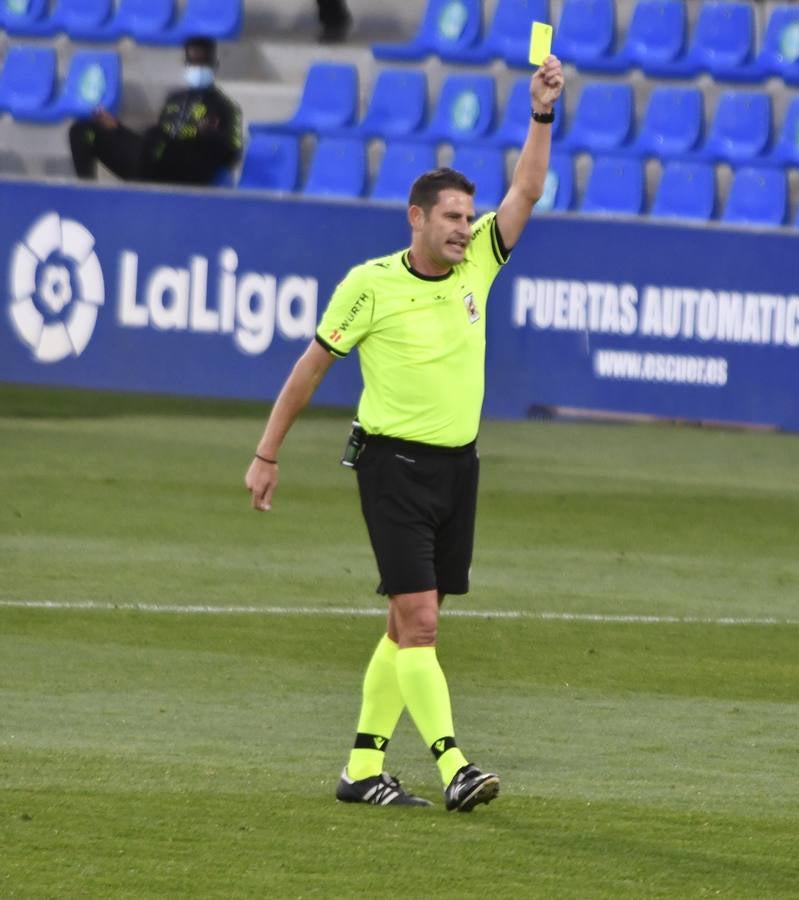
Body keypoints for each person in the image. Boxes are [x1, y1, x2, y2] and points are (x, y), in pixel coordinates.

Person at [245, 56, 564, 811]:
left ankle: (361, 769)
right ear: (416, 218)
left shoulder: (478, 262)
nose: (463, 228)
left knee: (405, 624)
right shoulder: (371, 284)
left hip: (458, 469)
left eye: (467, 216)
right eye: (450, 217)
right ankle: (455, 766)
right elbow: (312, 366)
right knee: (420, 623)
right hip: (390, 467)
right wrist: (267, 452)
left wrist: (542, 112)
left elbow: (526, 189)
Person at [69, 37, 242, 186]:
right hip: (154, 159)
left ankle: (142, 196)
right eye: (191, 63)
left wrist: (209, 137)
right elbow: (156, 139)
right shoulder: (174, 99)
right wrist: (118, 129)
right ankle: (86, 192)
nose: (196, 69)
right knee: (83, 130)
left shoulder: (226, 107)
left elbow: (233, 154)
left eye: (201, 64)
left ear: (214, 66)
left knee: (155, 140)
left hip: (187, 170)